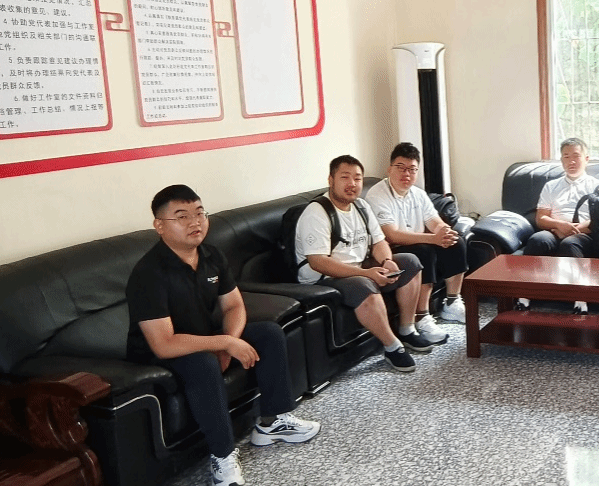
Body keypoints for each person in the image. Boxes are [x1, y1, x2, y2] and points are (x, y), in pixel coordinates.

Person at [126, 185, 320, 486]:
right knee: (203, 363)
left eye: (199, 213)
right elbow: (163, 344)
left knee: (268, 332)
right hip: (158, 355)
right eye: (182, 216)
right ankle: (222, 455)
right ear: (160, 226)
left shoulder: (210, 254)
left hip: (203, 337)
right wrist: (226, 342)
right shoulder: (148, 274)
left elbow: (234, 305)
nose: (195, 222)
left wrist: (229, 341)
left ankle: (272, 422)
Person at [295, 155, 439, 373]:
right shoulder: (317, 212)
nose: (352, 184)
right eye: (345, 177)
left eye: (357, 178)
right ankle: (392, 346)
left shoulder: (361, 206)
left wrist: (387, 261)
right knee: (363, 284)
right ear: (331, 180)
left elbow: (379, 241)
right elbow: (318, 262)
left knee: (410, 262)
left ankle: (407, 329)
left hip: (359, 267)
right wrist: (368, 273)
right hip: (324, 278)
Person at [366, 142, 469, 333]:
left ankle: (452, 303)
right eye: (401, 168)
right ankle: (422, 316)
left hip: (419, 242)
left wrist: (445, 232)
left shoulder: (418, 194)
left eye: (412, 169)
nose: (406, 174)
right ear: (389, 169)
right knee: (423, 251)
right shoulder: (377, 195)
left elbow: (434, 222)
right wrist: (433, 239)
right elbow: (391, 235)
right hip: (391, 250)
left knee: (456, 241)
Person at [518, 137, 599, 314]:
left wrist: (575, 229)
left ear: (586, 159)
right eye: (566, 157)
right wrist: (560, 225)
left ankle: (580, 300)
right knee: (537, 239)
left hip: (584, 234)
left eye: (576, 156)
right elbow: (541, 218)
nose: (571, 161)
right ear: (561, 160)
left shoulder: (598, 186)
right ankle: (524, 296)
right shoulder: (551, 186)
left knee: (570, 244)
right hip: (554, 231)